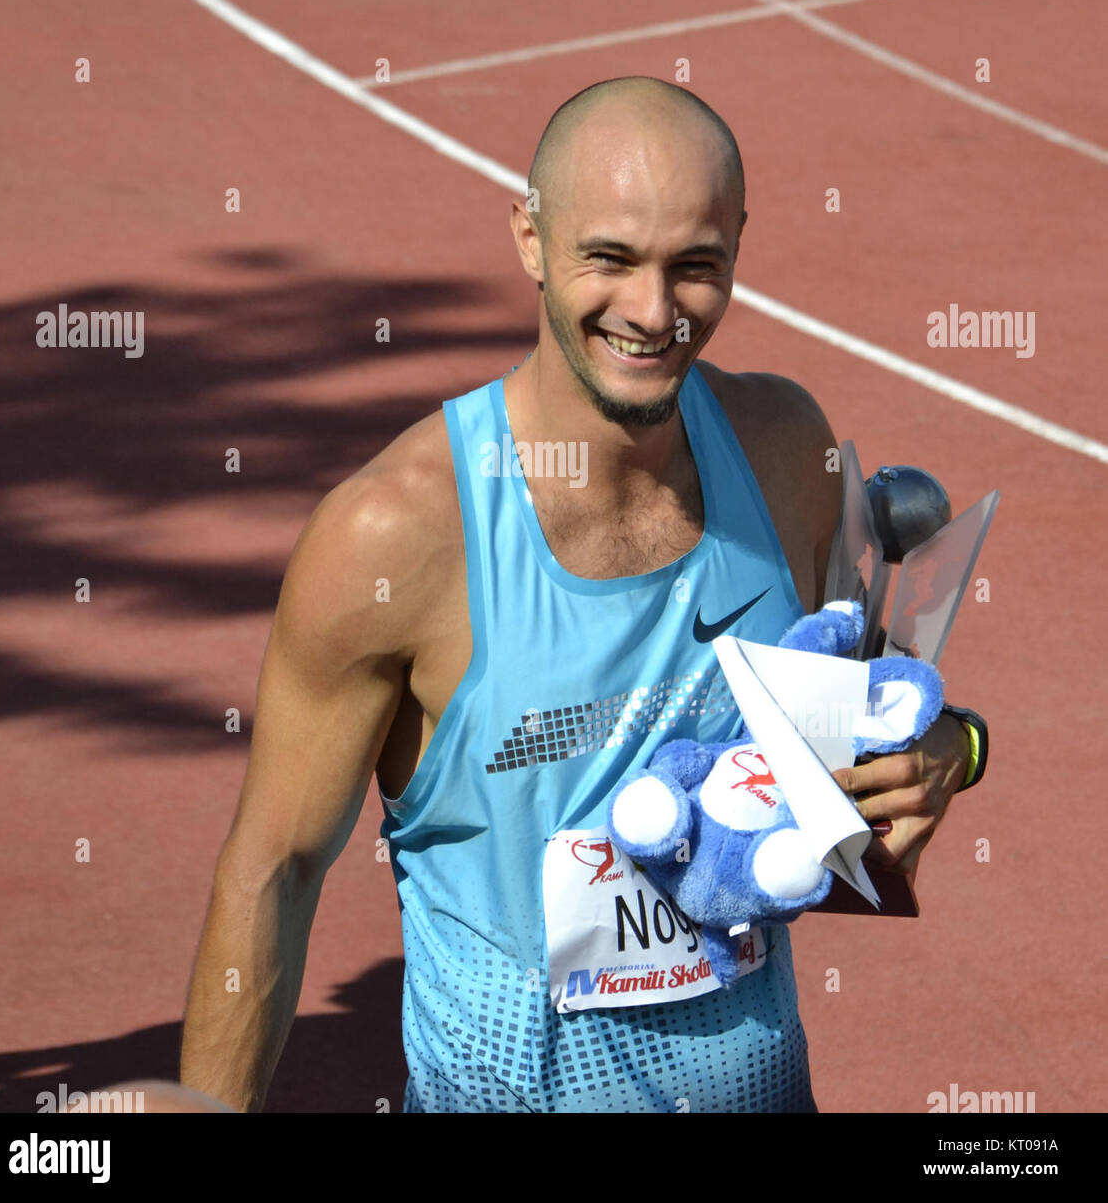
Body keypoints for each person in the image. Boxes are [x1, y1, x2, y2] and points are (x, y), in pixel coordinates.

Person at [179, 76, 973, 1113]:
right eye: (610, 256)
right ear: (529, 239)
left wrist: (952, 752)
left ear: (739, 244)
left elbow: (861, 730)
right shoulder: (400, 535)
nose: (652, 310)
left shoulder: (785, 452)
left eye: (695, 265)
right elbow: (274, 870)